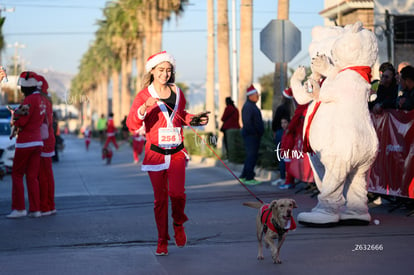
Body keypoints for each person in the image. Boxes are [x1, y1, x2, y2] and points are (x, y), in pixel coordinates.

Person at [126, 51, 209, 256]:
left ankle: (178, 222)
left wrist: (195, 120)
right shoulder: (143, 95)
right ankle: (162, 240)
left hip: (177, 152)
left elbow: (181, 117)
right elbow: (131, 124)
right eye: (161, 70)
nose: (165, 74)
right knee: (160, 200)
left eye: (168, 70)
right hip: (155, 156)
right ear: (152, 71)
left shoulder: (178, 92)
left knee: (178, 194)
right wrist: (144, 108)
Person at [7, 71, 46, 218]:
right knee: (32, 176)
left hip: (25, 142)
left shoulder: (29, 100)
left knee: (17, 174)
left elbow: (22, 121)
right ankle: (35, 209)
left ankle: (19, 208)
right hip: (38, 141)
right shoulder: (41, 99)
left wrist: (14, 119)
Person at [37, 75, 57, 217]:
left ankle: (44, 206)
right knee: (48, 175)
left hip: (42, 141)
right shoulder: (47, 100)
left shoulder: (39, 100)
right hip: (49, 140)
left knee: (42, 176)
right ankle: (49, 205)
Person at [239, 84, 264, 185]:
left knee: (250, 156)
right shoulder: (248, 107)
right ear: (250, 96)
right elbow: (248, 123)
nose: (257, 97)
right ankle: (249, 177)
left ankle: (244, 176)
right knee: (251, 156)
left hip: (253, 136)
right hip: (251, 136)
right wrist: (256, 133)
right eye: (256, 95)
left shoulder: (251, 106)